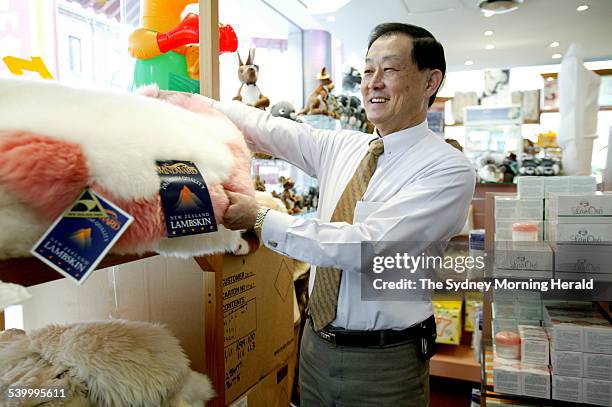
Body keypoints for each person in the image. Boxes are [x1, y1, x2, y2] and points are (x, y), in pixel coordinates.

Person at [202, 23, 475, 407]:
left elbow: (364, 247)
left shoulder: (447, 169)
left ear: (430, 82)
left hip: (383, 363)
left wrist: (262, 218)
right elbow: (265, 127)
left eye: (390, 69)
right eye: (367, 71)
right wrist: (191, 104)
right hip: (315, 346)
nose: (372, 83)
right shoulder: (346, 147)